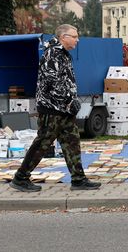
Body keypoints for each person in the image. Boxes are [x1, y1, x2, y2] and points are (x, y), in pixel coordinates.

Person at [10, 25, 101, 192]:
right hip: (52, 109)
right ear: (63, 37)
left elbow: (64, 81)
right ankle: (20, 178)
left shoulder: (62, 54)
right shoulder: (53, 53)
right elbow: (54, 82)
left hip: (64, 110)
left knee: (72, 142)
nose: (77, 39)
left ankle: (78, 179)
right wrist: (69, 100)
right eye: (74, 36)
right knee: (42, 143)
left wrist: (70, 102)